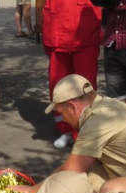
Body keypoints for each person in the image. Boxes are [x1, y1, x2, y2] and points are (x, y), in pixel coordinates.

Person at [42, 0, 102, 148]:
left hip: (85, 30)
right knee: (58, 85)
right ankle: (66, 129)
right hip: (57, 28)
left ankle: (85, 133)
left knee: (87, 87)